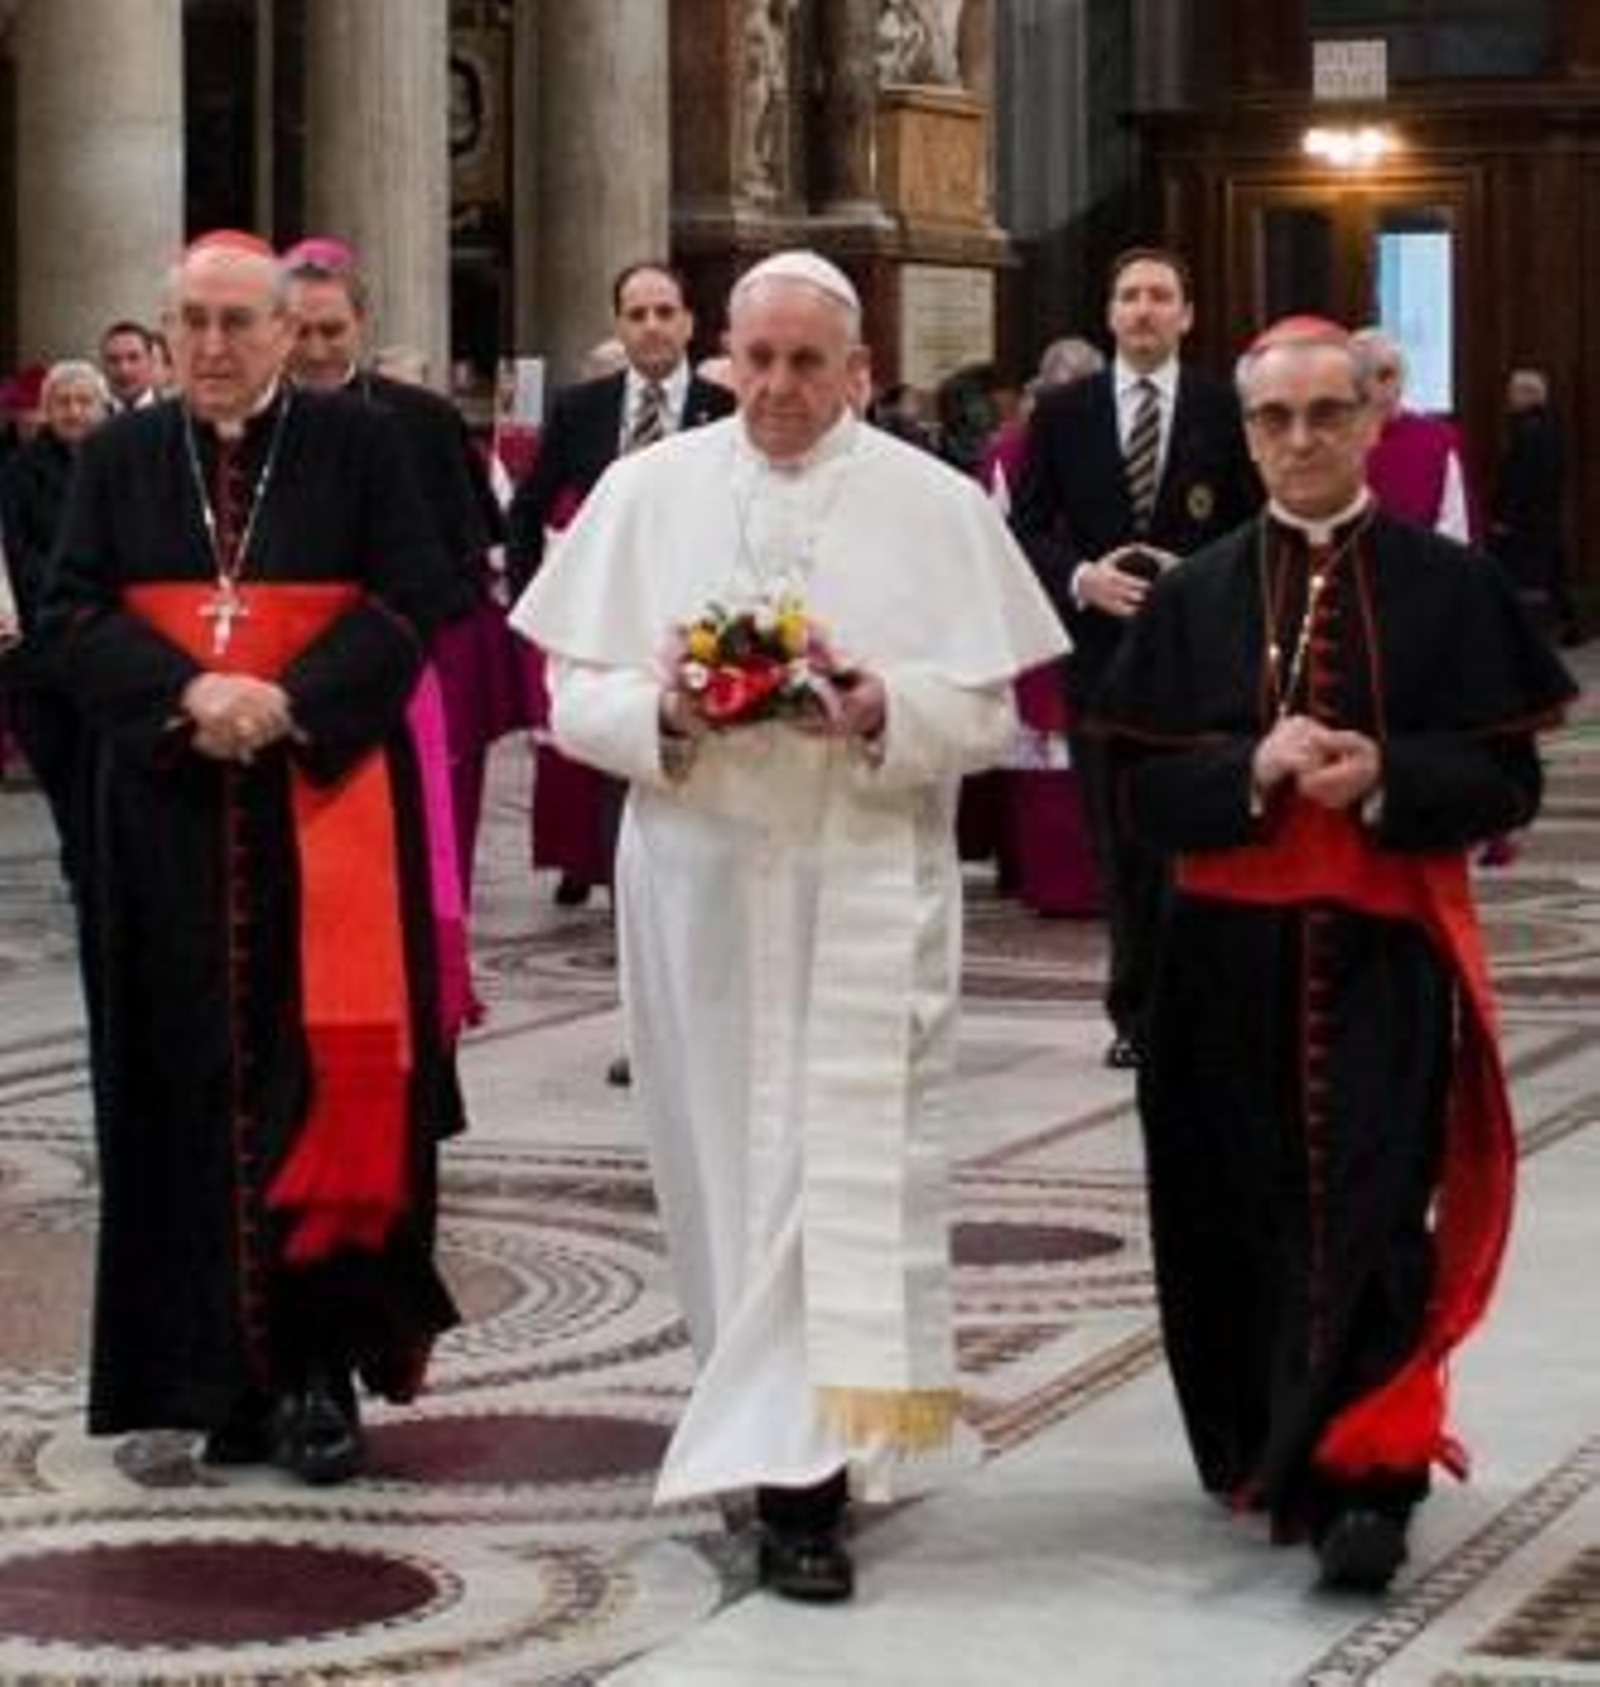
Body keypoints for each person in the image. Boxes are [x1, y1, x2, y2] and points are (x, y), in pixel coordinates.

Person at [510, 250, 1067, 1602]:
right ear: (721, 358)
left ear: (859, 371)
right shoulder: (649, 491)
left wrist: (887, 706)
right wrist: (666, 711)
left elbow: (993, 715)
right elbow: (566, 693)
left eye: (806, 362)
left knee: (834, 1164)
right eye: (754, 359)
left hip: (858, 875)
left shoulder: (933, 503)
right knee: (713, 1153)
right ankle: (754, 1406)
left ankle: (804, 1477)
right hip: (695, 876)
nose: (776, 386)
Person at [1093, 315, 1577, 1593]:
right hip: (1216, 964)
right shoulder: (1194, 594)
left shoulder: (1452, 585)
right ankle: (1265, 1442)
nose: (1299, 440)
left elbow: (1506, 777)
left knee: (1373, 1203)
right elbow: (1137, 798)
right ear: (1244, 432)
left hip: (1384, 951)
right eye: (1272, 419)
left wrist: (1388, 775)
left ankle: (1374, 1466)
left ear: (1373, 419)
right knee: (1233, 1203)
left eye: (1324, 414)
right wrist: (1246, 768)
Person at [39, 230, 464, 1485]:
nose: (214, 348)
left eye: (239, 323)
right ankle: (206, 1373)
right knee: (170, 1079)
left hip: (321, 807)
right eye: (193, 325)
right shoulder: (119, 455)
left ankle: (319, 1374)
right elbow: (65, 614)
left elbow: (413, 601)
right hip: (162, 821)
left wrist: (284, 701)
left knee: (321, 1084)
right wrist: (189, 694)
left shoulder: (362, 446)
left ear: (288, 332)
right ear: (166, 336)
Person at [1012, 246, 1260, 1068]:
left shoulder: (1227, 410)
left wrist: (1196, 578)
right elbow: (1025, 530)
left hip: (1203, 662)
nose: (1145, 310)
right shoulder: (1064, 412)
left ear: (1186, 314)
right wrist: (1083, 577)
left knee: (1197, 836)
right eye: (1130, 297)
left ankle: (1200, 1002)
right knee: (1118, 842)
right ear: (1110, 313)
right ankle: (1136, 1012)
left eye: (1161, 296)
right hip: (1101, 662)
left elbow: (1259, 525)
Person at [282, 236, 508, 916]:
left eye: (332, 329)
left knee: (395, 869)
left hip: (394, 675)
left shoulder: (423, 420)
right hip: (276, 676)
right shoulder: (245, 422)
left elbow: (464, 554)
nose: (317, 348)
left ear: (361, 325)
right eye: (299, 330)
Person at [506, 261, 736, 923]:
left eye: (665, 312)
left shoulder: (725, 410)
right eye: (637, 314)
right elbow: (528, 509)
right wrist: (539, 610)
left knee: (702, 761)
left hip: (706, 624)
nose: (652, 326)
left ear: (690, 322)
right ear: (619, 325)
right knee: (618, 761)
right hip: (613, 622)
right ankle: (627, 900)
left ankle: (699, 899)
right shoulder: (582, 410)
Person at [0, 359, 111, 878]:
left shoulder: (121, 465)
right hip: (43, 651)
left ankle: (99, 866)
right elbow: (17, 552)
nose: (73, 411)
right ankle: (79, 858)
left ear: (102, 407)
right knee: (60, 772)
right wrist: (68, 597)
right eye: (62, 402)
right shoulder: (18, 472)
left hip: (107, 649)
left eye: (83, 401)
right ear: (45, 410)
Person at [1351, 327, 1473, 541]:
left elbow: (1454, 527)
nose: (1391, 386)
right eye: (1380, 375)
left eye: (1393, 374)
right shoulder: (1337, 439)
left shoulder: (1437, 440)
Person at [1490, 366, 1583, 648]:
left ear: (1530, 395)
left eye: (1514, 391)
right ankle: (1570, 629)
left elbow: (1519, 479)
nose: (1509, 396)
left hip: (1526, 519)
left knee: (1526, 579)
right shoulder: (1551, 426)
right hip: (1547, 514)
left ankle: (1529, 639)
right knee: (1554, 576)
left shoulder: (1528, 431)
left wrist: (1503, 517)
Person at [98, 319, 163, 412]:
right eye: (113, 360)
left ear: (151, 361)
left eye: (133, 358)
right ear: (103, 366)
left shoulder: (179, 416)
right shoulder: (94, 420)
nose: (124, 369)